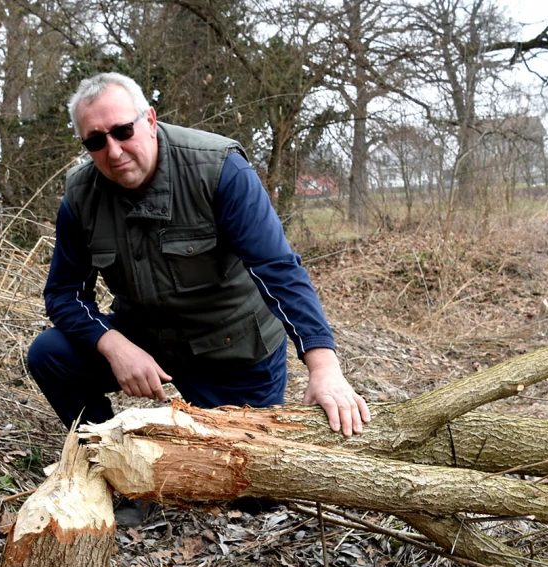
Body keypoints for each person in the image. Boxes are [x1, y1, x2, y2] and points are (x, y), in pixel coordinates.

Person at [27, 72, 370, 442]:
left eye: (123, 131)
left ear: (150, 120)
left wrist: (324, 366)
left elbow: (279, 270)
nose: (113, 151)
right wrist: (114, 345)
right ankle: (104, 455)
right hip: (147, 338)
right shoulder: (80, 196)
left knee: (252, 493)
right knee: (50, 353)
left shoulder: (220, 169)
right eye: (95, 141)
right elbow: (64, 294)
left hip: (231, 350)